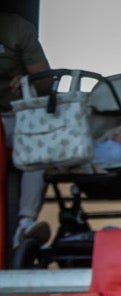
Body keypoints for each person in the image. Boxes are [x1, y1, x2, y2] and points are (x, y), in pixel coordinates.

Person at [0, 13, 50, 251]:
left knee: (38, 143)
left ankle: (25, 223)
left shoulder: (18, 29)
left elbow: (45, 83)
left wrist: (28, 80)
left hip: (14, 116)